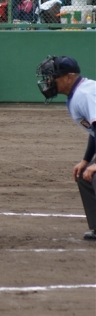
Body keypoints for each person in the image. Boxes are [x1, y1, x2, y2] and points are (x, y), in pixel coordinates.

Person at [36, 56, 96, 241]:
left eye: (53, 76)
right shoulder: (77, 94)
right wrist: (86, 160)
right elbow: (94, 131)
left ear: (69, 77)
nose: (49, 81)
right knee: (84, 175)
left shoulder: (85, 95)